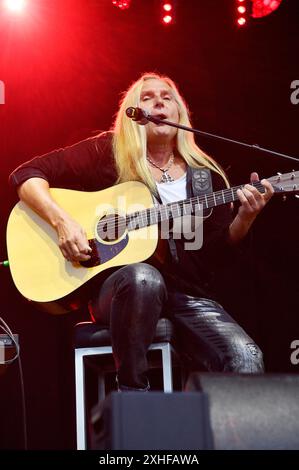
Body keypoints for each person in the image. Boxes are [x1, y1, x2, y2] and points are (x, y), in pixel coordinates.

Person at [9, 72, 274, 391]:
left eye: (167, 97)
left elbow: (214, 258)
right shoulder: (106, 153)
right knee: (144, 277)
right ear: (132, 113)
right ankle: (133, 397)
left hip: (186, 294)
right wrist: (62, 223)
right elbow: (27, 175)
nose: (158, 102)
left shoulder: (206, 178)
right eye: (147, 97)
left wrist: (244, 218)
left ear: (180, 113)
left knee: (246, 358)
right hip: (121, 291)